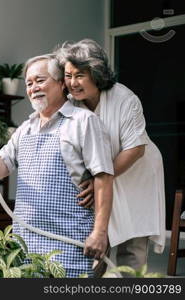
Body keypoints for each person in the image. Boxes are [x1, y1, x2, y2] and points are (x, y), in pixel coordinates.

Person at [0, 54, 114, 277]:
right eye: (29, 83)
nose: (33, 88)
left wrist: (99, 233)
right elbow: (1, 169)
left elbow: (104, 178)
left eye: (40, 80)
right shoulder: (25, 128)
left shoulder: (83, 122)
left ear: (61, 83)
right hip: (25, 245)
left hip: (68, 243)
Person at [56, 39, 165, 272]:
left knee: (131, 244)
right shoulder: (70, 104)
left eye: (80, 75)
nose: (72, 83)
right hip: (100, 176)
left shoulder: (125, 99)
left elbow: (135, 149)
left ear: (97, 73)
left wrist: (99, 180)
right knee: (94, 241)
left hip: (136, 172)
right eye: (68, 75)